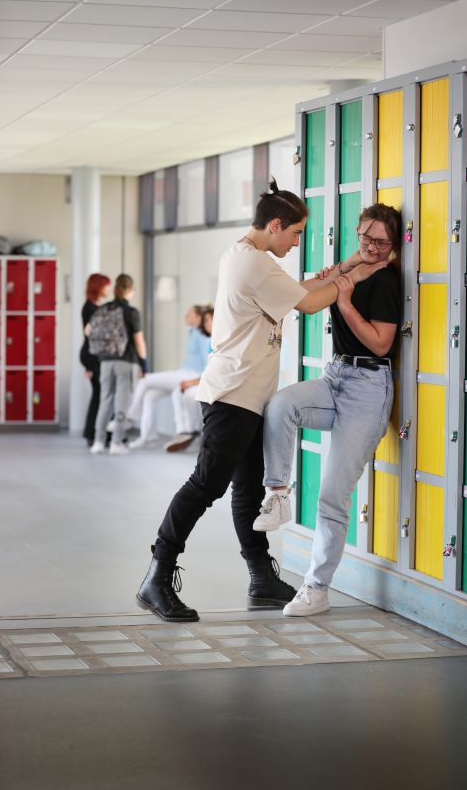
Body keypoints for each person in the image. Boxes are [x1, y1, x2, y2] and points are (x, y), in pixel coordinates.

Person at [136, 179, 389, 623]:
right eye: (295, 233)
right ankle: (157, 576)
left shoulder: (246, 256)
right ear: (275, 225)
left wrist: (349, 263)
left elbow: (302, 290)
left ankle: (261, 576)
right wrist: (357, 275)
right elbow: (310, 303)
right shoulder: (253, 264)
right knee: (206, 485)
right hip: (232, 395)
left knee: (248, 488)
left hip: (248, 396)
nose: (296, 243)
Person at [252, 203, 402, 617]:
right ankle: (277, 494)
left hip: (368, 388)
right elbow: (304, 296)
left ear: (393, 244)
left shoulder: (387, 282)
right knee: (281, 404)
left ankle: (317, 589)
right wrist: (343, 270)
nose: (372, 246)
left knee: (332, 495)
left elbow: (381, 343)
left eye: (381, 242)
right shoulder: (351, 270)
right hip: (336, 376)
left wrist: (346, 302)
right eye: (366, 237)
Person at [126, 305, 210, 449]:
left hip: (190, 375)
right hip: (184, 372)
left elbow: (206, 361)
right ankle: (147, 437)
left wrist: (196, 381)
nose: (185, 315)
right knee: (150, 396)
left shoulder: (202, 335)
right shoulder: (192, 332)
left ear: (197, 317)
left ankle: (131, 416)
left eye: (189, 313)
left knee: (145, 380)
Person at [90, 274, 148, 456]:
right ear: (131, 289)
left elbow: (88, 330)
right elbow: (139, 340)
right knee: (121, 403)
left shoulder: (103, 309)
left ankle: (98, 442)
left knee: (105, 400)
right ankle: (116, 442)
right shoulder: (131, 312)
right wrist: (144, 364)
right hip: (126, 361)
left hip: (105, 361)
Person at [163, 307, 214, 453]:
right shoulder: (208, 341)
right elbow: (208, 371)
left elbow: (211, 373)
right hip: (205, 380)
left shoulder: (220, 341)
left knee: (190, 395)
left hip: (213, 384)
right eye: (205, 320)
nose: (207, 323)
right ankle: (187, 430)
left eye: (209, 320)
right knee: (180, 392)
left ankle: (192, 431)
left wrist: (191, 382)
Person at [79, 273, 111, 447]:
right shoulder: (90, 308)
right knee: (100, 395)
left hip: (93, 355)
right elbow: (91, 334)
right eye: (106, 286)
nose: (108, 289)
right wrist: (89, 366)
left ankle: (97, 433)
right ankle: (93, 434)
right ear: (98, 287)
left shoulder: (95, 307)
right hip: (92, 356)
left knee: (101, 394)